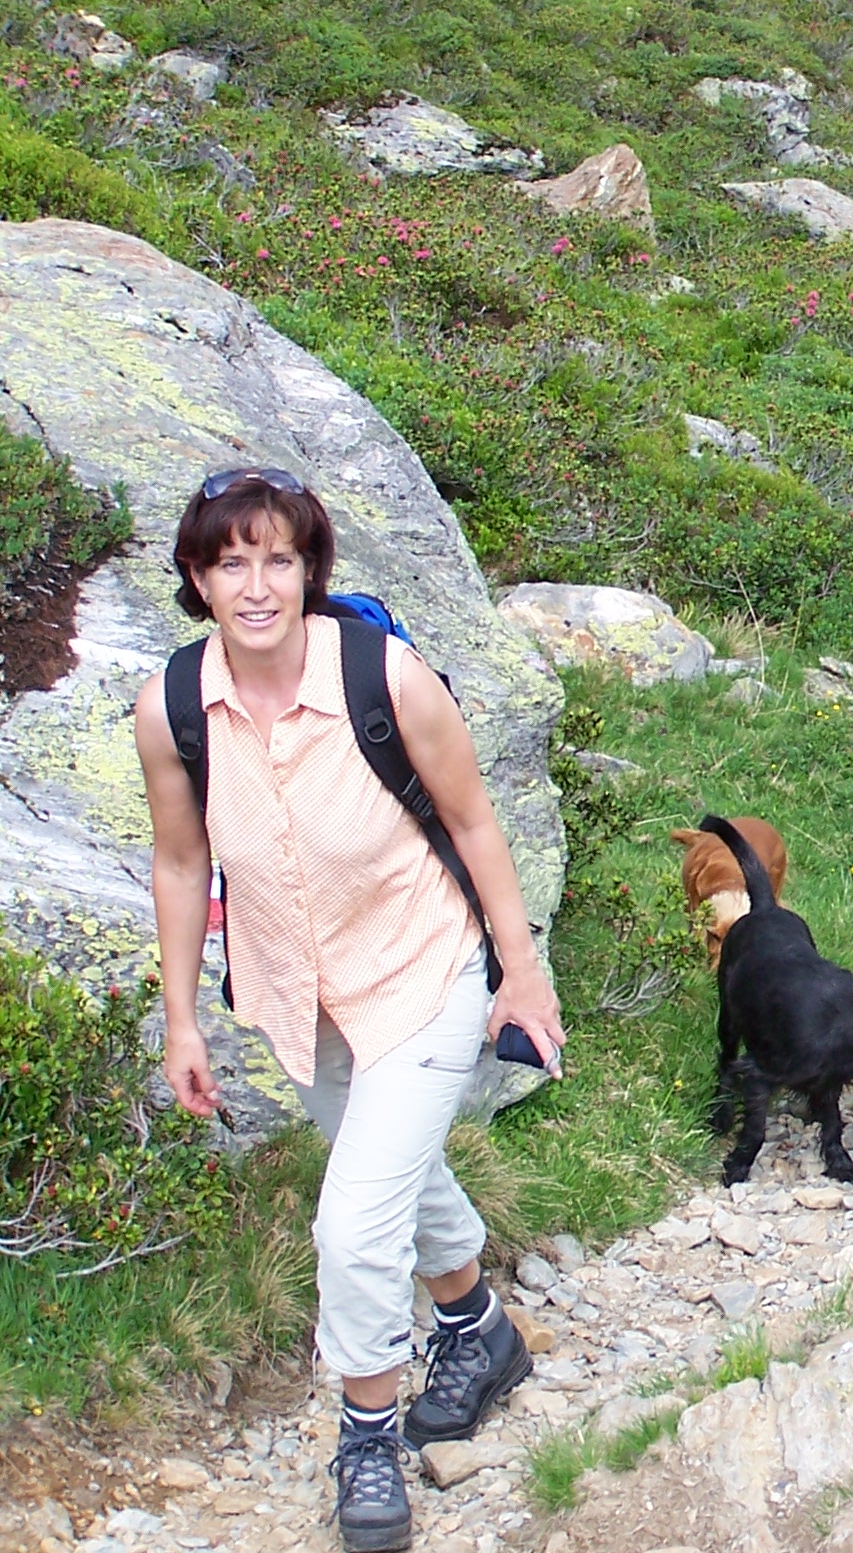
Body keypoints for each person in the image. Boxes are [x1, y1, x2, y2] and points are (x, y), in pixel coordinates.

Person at [138, 471, 561, 1553]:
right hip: (297, 998)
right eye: (231, 562)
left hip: (422, 970)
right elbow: (182, 864)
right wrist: (183, 1019)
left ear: (311, 569)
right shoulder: (174, 706)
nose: (257, 584)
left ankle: (366, 1433)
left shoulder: (386, 677)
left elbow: (474, 824)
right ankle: (477, 1331)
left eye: (278, 558)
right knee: (401, 1179)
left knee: (352, 1221)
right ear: (198, 578)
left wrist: (522, 974)